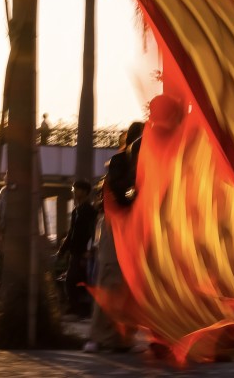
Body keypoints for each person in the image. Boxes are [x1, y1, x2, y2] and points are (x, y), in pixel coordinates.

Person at [84, 121, 144, 353]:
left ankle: (122, 337)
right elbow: (121, 192)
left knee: (130, 284)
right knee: (110, 278)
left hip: (135, 227)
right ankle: (99, 336)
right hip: (116, 226)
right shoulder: (120, 162)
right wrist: (135, 192)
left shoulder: (149, 163)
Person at [57, 179, 97, 318]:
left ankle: (79, 310)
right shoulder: (76, 211)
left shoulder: (90, 211)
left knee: (74, 280)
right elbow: (71, 233)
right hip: (75, 252)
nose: (74, 192)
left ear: (85, 192)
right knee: (72, 280)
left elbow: (93, 232)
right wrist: (62, 250)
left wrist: (90, 250)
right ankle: (75, 308)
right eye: (73, 190)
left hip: (84, 253)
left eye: (76, 190)